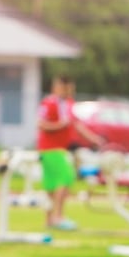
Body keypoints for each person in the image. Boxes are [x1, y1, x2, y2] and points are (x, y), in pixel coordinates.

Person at [36, 75, 102, 230]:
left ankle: (51, 219)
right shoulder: (49, 103)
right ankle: (57, 217)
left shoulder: (69, 104)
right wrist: (59, 125)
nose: (66, 91)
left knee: (55, 184)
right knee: (64, 179)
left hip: (61, 148)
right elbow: (41, 123)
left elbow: (76, 125)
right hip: (50, 149)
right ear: (56, 87)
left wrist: (94, 139)